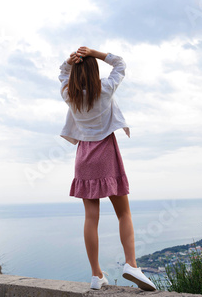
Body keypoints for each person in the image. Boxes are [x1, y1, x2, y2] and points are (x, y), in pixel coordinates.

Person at [58, 47, 156, 291]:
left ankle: (95, 275)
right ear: (95, 71)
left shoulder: (68, 94)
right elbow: (120, 64)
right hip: (105, 153)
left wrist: (69, 62)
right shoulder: (104, 90)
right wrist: (95, 53)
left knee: (91, 218)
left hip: (83, 157)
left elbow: (62, 73)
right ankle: (131, 264)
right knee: (124, 213)